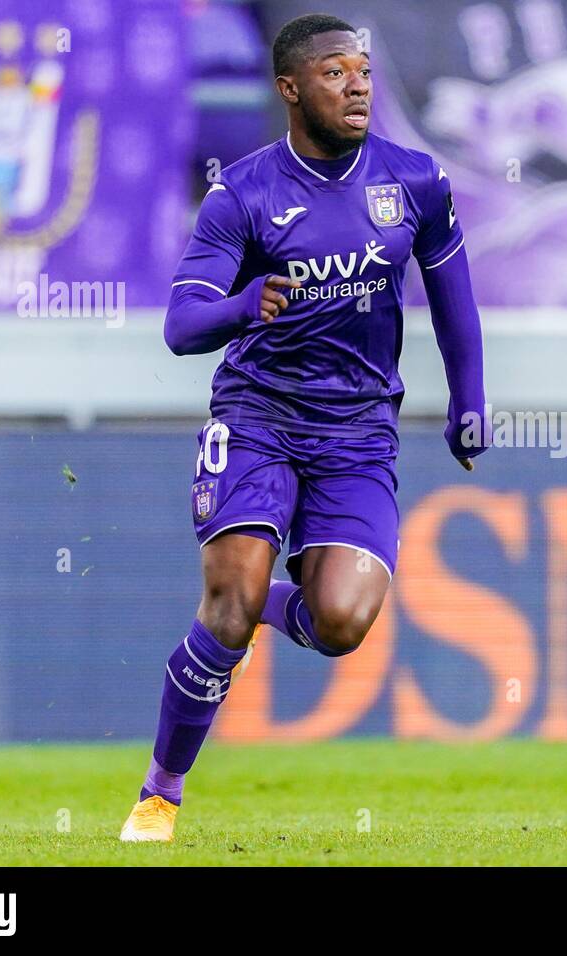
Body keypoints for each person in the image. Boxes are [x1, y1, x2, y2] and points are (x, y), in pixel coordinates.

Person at [119, 13, 487, 842]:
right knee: (229, 599)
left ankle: (251, 617)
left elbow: (452, 295)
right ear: (289, 89)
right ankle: (161, 793)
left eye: (362, 71)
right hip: (259, 417)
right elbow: (182, 324)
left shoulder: (416, 182)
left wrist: (471, 398)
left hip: (359, 430)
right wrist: (245, 305)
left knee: (343, 623)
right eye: (334, 73)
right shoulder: (243, 193)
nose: (356, 85)